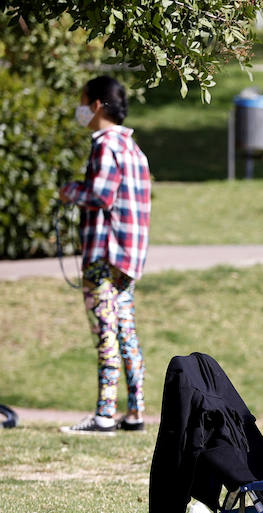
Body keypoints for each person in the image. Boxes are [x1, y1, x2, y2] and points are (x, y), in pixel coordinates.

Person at [59, 76, 151, 435]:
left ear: (96, 105)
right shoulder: (133, 149)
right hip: (128, 258)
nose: (80, 109)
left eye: (83, 101)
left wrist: (70, 191)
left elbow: (100, 195)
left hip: (102, 255)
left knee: (105, 333)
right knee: (126, 331)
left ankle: (103, 415)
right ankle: (136, 412)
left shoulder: (105, 145)